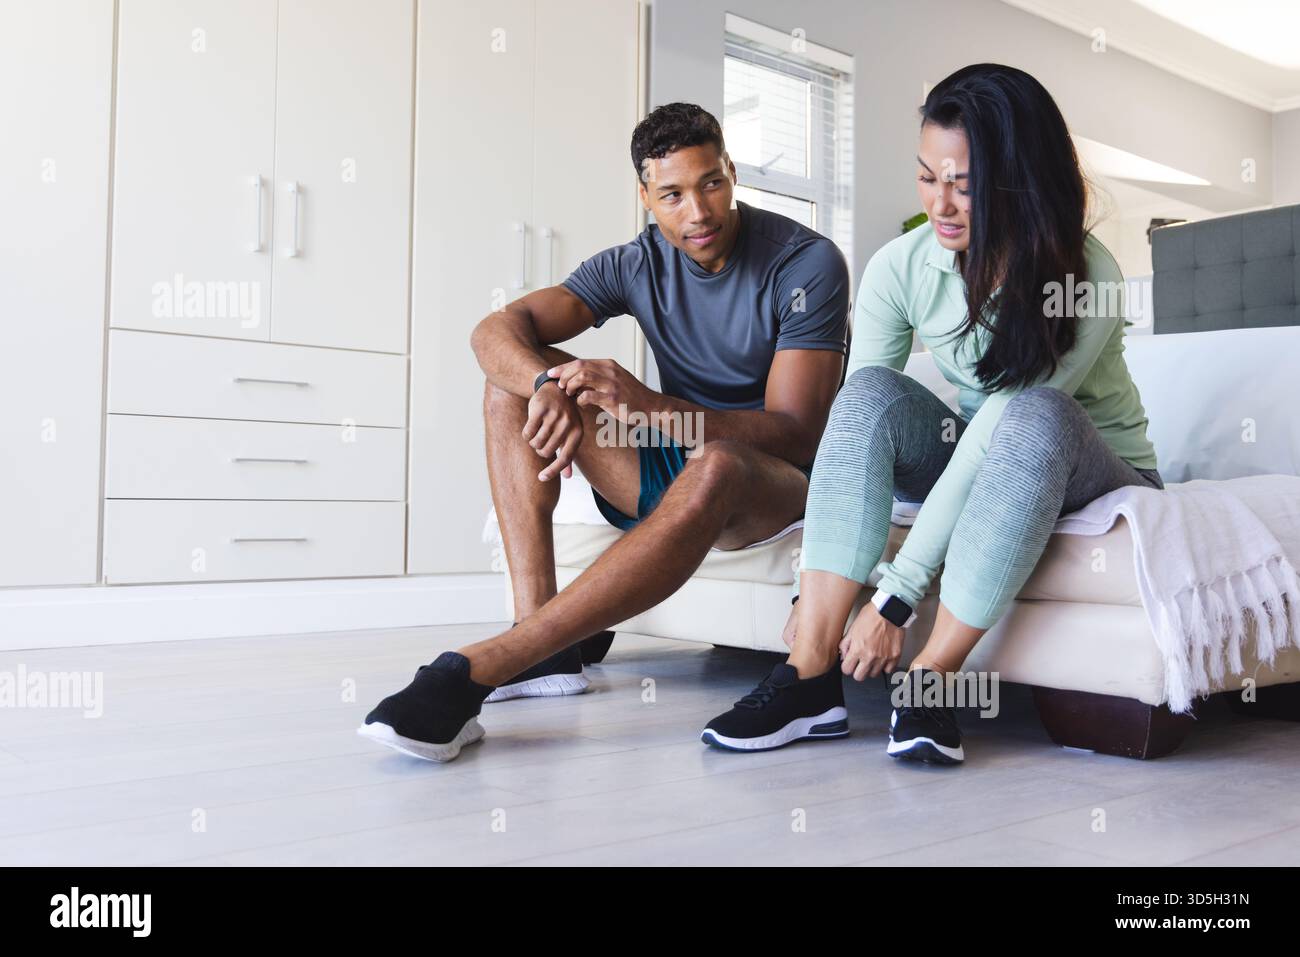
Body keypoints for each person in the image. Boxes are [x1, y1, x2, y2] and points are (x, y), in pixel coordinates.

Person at [701, 64, 1163, 765]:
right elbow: (853, 433)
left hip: (1093, 464)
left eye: (964, 185)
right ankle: (810, 674)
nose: (940, 204)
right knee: (866, 394)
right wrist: (813, 586)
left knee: (1034, 413)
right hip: (986, 448)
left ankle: (933, 679)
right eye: (928, 178)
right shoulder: (901, 266)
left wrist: (895, 598)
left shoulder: (1085, 276)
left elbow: (1006, 425)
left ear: (1018, 184)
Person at [360, 103, 850, 761]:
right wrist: (542, 386)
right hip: (665, 459)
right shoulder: (634, 263)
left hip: (770, 484)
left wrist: (647, 405)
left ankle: (490, 662)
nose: (698, 212)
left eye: (711, 183)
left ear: (731, 172)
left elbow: (796, 435)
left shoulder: (805, 263)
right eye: (672, 194)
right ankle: (544, 650)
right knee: (513, 381)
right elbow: (493, 330)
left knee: (720, 464)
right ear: (646, 197)